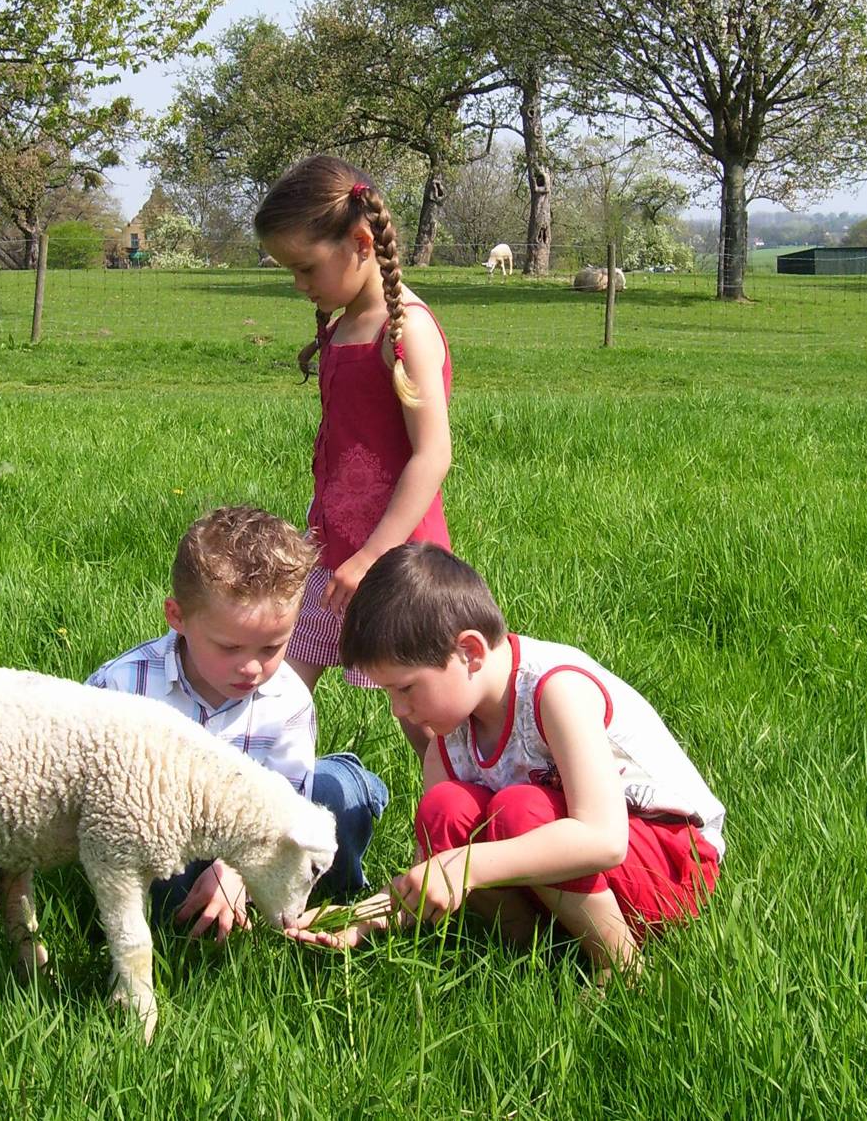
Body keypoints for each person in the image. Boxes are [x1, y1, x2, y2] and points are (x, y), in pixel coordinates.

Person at [288, 543, 725, 979]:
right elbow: (434, 867)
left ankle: (620, 964)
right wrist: (362, 920)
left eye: (405, 688)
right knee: (444, 808)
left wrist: (468, 865)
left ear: (470, 653)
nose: (398, 710)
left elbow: (605, 839)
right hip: (576, 873)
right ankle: (531, 957)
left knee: (519, 810)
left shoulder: (555, 692)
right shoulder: (451, 729)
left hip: (667, 861)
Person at [85, 506, 388, 940]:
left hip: (257, 835)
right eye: (229, 646)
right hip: (165, 836)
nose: (251, 667)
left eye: (272, 647)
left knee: (330, 809)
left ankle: (354, 792)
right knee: (167, 896)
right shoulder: (123, 687)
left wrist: (238, 869)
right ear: (178, 617)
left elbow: (286, 813)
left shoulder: (288, 700)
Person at [253, 155, 453, 758]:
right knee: (282, 694)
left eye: (306, 267)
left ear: (362, 242)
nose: (299, 285)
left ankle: (464, 832)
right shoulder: (344, 326)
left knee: (423, 717)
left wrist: (372, 554)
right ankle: (271, 813)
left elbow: (431, 455)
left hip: (394, 563)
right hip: (330, 556)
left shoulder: (405, 331)